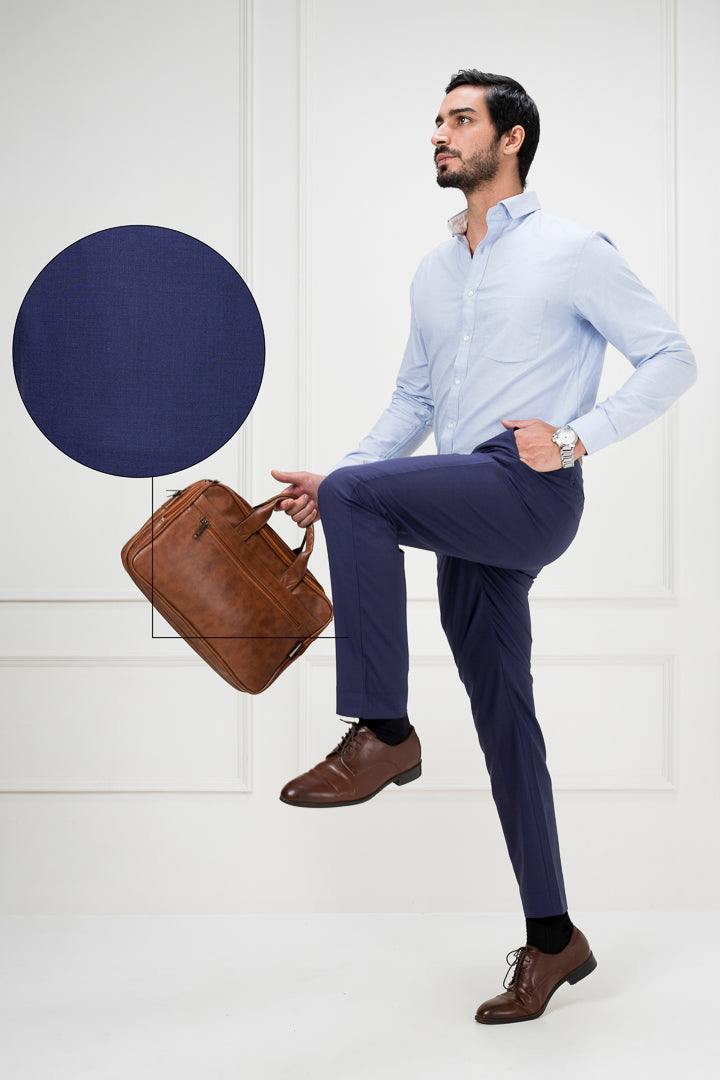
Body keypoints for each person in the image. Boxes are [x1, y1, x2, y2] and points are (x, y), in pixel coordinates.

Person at [270, 69, 697, 1024]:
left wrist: (576, 436)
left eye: (460, 119)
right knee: (507, 723)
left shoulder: (572, 250)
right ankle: (554, 939)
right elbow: (414, 401)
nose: (440, 133)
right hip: (467, 497)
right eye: (436, 120)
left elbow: (673, 357)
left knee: (362, 499)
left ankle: (384, 732)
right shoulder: (434, 270)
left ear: (511, 140)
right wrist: (339, 483)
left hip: (528, 487)